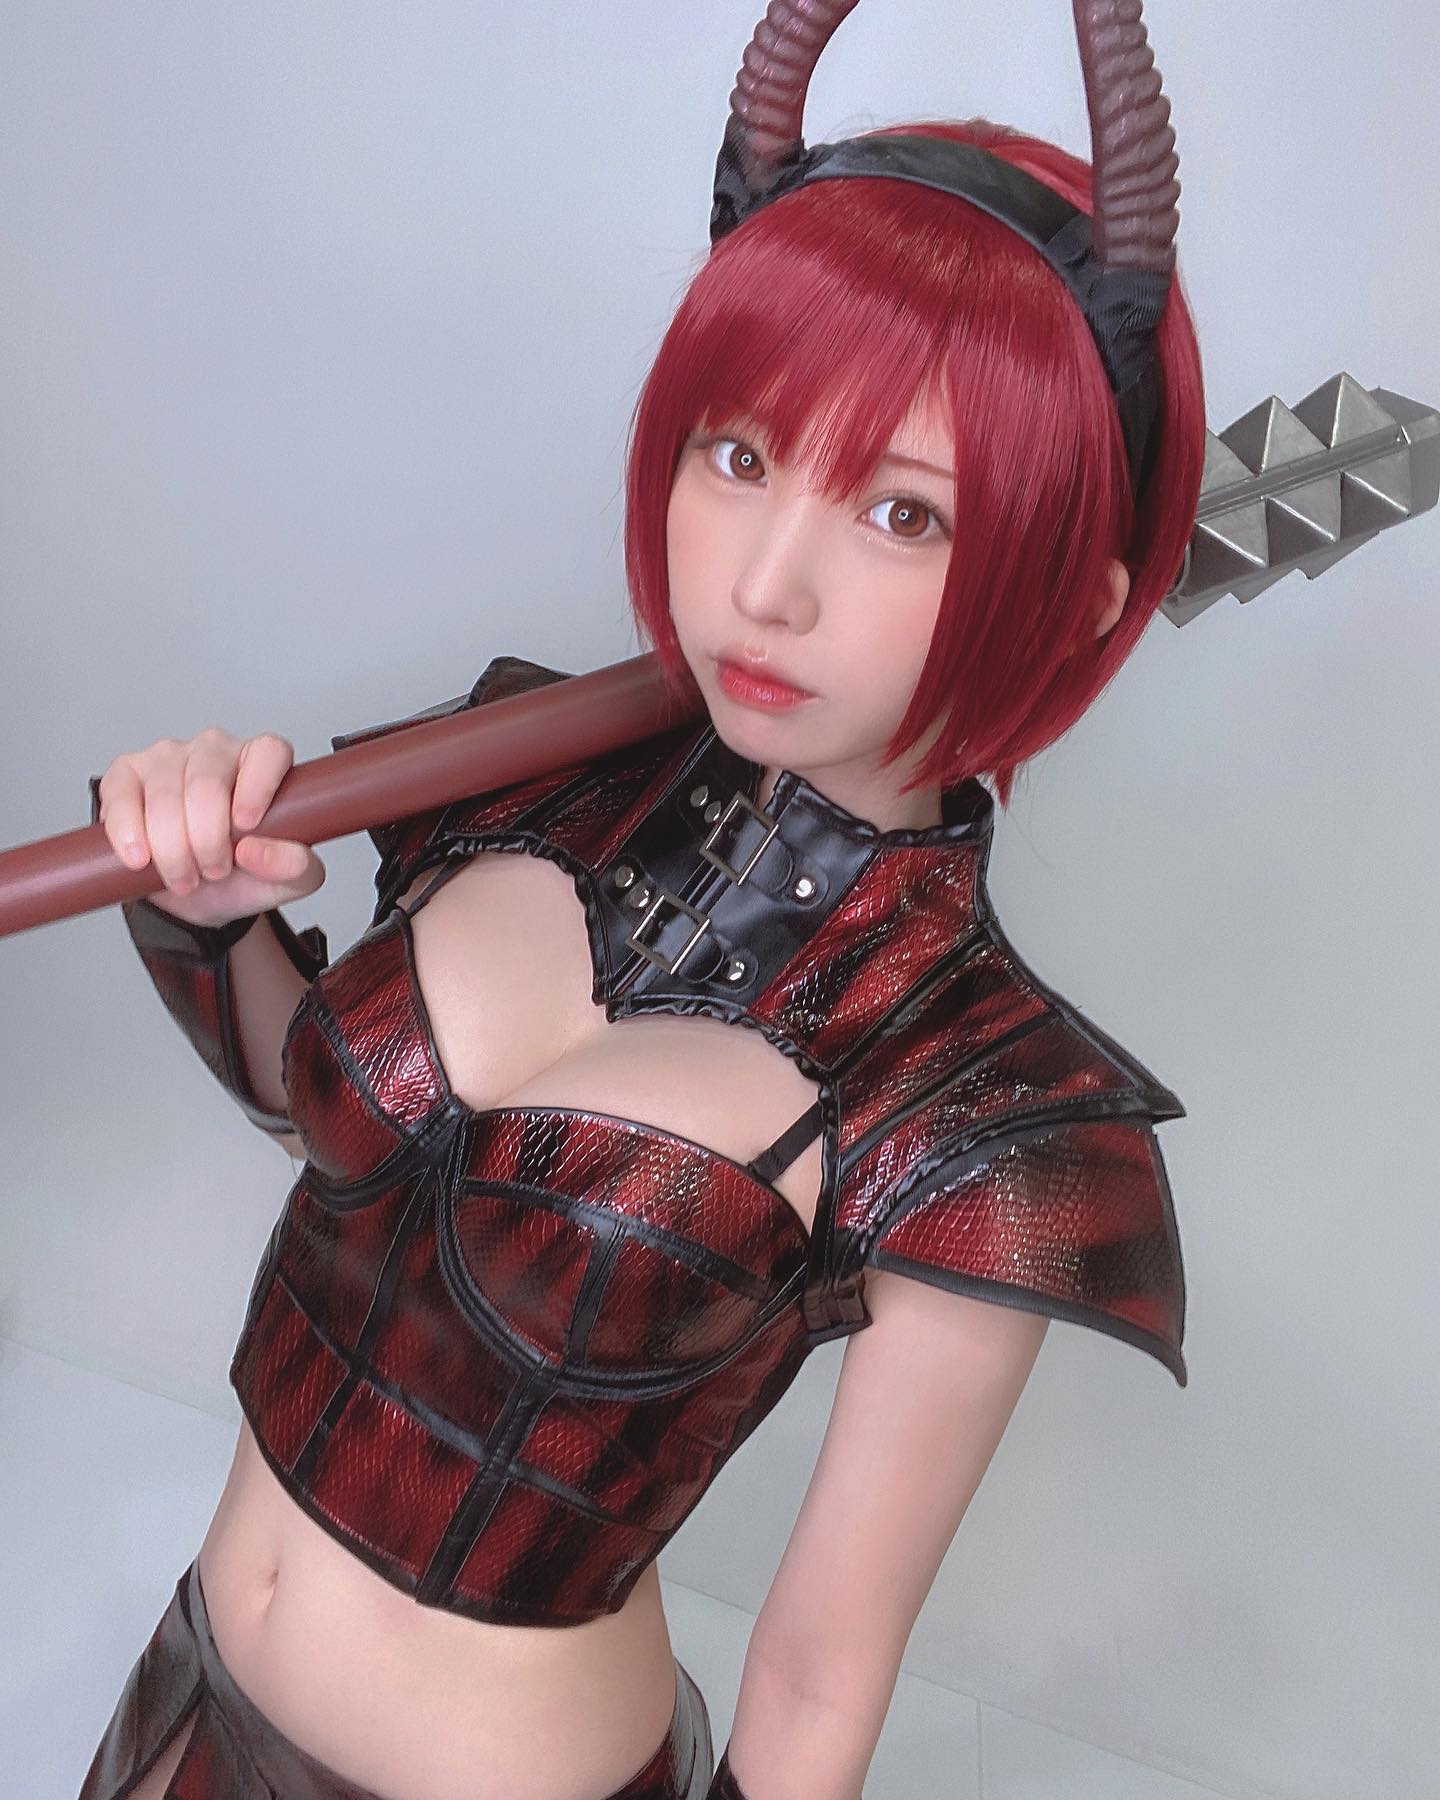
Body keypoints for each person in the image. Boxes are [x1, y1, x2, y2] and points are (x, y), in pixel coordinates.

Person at [79, 3, 1203, 1795]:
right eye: (739, 456)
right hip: (180, 1695)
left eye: (905, 515)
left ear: (1075, 596)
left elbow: (820, 1677)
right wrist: (201, 909)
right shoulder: (520, 769)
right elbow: (340, 1142)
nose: (765, 585)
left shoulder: (984, 1108)